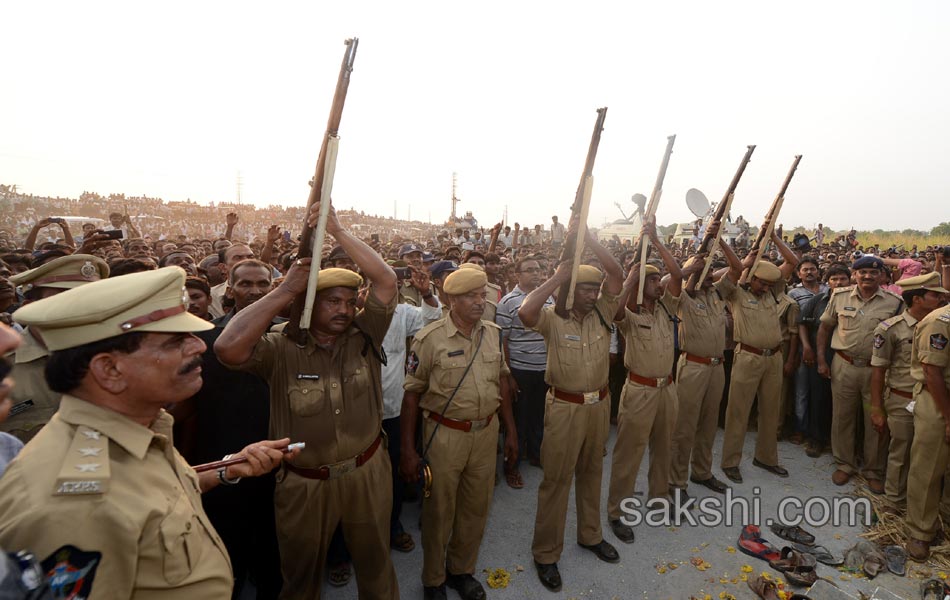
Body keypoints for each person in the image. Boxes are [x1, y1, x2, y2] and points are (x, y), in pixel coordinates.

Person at [0, 267, 296, 597]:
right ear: (110, 370)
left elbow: (150, 500)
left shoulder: (138, 429)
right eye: (175, 341)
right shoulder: (76, 507)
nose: (199, 346)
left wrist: (224, 470)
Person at [214, 202, 399, 600]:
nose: (345, 310)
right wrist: (286, 289)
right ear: (309, 304)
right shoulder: (280, 348)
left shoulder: (364, 336)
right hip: (304, 484)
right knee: (300, 579)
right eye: (333, 301)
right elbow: (227, 348)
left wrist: (338, 230)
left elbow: (385, 281)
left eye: (350, 302)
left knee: (377, 566)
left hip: (367, 473)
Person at [400, 267, 517, 600]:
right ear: (451, 299)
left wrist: (510, 432)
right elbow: (411, 395)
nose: (480, 302)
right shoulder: (429, 338)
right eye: (471, 296)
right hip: (445, 434)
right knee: (439, 510)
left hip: (485, 433)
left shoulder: (493, 333)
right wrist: (408, 451)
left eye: (483, 295)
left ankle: (460, 571)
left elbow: (503, 383)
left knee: (476, 508)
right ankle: (434, 579)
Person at [518, 222, 624, 592]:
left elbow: (616, 273)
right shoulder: (553, 318)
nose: (595, 294)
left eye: (596, 289)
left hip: (598, 405)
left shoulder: (604, 313)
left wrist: (588, 238)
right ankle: (546, 553)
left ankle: (590, 535)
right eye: (586, 289)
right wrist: (556, 278)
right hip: (563, 407)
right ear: (570, 290)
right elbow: (526, 313)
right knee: (556, 480)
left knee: (592, 471)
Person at [607, 217, 683, 543]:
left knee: (664, 446)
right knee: (629, 452)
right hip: (639, 389)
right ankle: (616, 511)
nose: (659, 285)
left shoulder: (666, 309)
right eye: (652, 282)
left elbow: (678, 275)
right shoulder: (632, 317)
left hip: (667, 387)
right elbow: (613, 312)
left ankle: (659, 497)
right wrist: (630, 279)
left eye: (658, 281)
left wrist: (656, 240)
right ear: (641, 286)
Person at [817, 255, 903, 492]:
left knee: (874, 418)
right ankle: (844, 464)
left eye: (873, 273)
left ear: (882, 276)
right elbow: (825, 328)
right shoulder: (839, 296)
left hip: (875, 372)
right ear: (854, 274)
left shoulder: (894, 302)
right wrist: (821, 359)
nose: (867, 276)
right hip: (844, 366)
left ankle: (873, 470)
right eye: (862, 272)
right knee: (842, 417)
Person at [716, 233, 797, 484]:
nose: (766, 288)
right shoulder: (736, 293)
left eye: (770, 284)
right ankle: (730, 461)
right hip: (747, 357)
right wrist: (738, 255)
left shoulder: (773, 291)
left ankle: (766, 458)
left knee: (771, 411)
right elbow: (732, 271)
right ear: (751, 279)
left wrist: (773, 236)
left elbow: (792, 262)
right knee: (738, 412)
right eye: (761, 283)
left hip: (774, 358)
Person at [2, 254, 109, 442]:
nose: (79, 308)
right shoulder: (4, 367)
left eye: (89, 298)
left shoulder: (119, 357)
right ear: (29, 308)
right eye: (64, 298)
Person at [870, 272, 949, 509]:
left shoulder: (941, 324)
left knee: (929, 460)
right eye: (934, 295)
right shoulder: (889, 329)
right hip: (901, 401)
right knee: (900, 454)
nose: (941, 299)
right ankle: (894, 501)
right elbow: (878, 371)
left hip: (932, 402)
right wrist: (876, 409)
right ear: (917, 299)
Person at [379, 266, 442, 553]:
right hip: (355, 415)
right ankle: (341, 549)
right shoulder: (349, 311)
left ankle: (392, 526)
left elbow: (432, 319)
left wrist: (426, 292)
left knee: (391, 473)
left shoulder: (402, 312)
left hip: (392, 411)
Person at [670, 249, 730, 499]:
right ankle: (675, 481)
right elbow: (671, 282)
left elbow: (737, 269)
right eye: (703, 273)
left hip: (717, 367)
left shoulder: (716, 294)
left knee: (708, 425)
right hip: (693, 367)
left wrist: (718, 244)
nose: (710, 277)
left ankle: (702, 472)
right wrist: (692, 270)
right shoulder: (681, 297)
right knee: (684, 427)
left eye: (710, 272)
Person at [495, 257, 553, 483]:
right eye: (529, 270)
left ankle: (536, 454)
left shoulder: (548, 298)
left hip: (545, 368)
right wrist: (508, 375)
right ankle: (512, 466)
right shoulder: (508, 302)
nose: (536, 274)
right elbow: (503, 341)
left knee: (539, 415)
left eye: (538, 269)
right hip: (520, 369)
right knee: (517, 420)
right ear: (516, 274)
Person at [904, 301, 950, 561]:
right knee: (928, 467)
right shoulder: (940, 321)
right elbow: (932, 372)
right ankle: (920, 531)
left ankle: (943, 517)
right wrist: (948, 418)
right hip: (938, 400)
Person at [798, 264, 852, 457]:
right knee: (818, 398)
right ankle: (816, 439)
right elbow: (803, 324)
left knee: (843, 403)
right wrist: (807, 348)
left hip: (846, 359)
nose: (838, 283)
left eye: (842, 279)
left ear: (850, 280)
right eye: (834, 279)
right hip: (822, 356)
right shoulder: (818, 300)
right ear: (827, 281)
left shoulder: (856, 301)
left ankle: (840, 443)